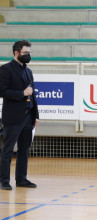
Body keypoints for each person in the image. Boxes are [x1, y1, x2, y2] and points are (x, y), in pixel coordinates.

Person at [0, 40, 39, 190]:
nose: (28, 55)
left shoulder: (28, 71)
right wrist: (21, 94)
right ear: (16, 53)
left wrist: (36, 115)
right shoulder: (6, 69)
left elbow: (33, 95)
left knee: (24, 149)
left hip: (28, 117)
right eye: (25, 53)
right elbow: (2, 91)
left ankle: (21, 179)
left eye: (29, 52)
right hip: (13, 116)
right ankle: (4, 180)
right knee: (8, 149)